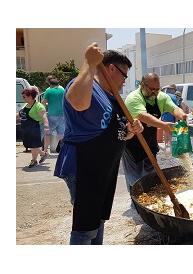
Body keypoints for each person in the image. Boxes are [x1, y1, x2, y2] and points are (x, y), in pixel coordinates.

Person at [53, 43, 143, 245]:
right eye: (124, 75)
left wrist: (130, 131)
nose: (124, 82)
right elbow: (77, 101)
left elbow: (117, 133)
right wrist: (89, 63)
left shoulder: (113, 96)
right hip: (83, 166)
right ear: (111, 69)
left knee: (98, 220)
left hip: (104, 169)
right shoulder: (86, 85)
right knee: (85, 227)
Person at [122, 73, 187, 192]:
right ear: (142, 85)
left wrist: (182, 115)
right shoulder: (133, 97)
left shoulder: (161, 97)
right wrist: (163, 125)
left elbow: (174, 108)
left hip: (150, 143)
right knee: (135, 179)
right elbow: (142, 116)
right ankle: (136, 203)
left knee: (150, 177)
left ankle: (149, 199)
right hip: (133, 145)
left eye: (157, 89)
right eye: (151, 89)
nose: (154, 92)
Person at [18, 87, 49, 168]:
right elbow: (20, 114)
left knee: (34, 145)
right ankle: (43, 154)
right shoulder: (27, 105)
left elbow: (44, 116)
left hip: (38, 127)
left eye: (24, 96)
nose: (23, 98)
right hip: (29, 128)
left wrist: (46, 126)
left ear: (31, 96)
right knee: (31, 144)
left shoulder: (39, 106)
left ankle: (34, 160)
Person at [42, 76, 66, 153]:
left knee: (47, 133)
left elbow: (43, 103)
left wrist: (43, 112)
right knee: (61, 133)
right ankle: (63, 149)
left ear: (50, 84)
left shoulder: (49, 91)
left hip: (52, 114)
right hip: (62, 114)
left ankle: (45, 149)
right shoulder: (63, 89)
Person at [160, 84, 178, 149]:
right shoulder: (174, 97)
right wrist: (176, 120)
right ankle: (170, 146)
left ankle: (166, 145)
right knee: (171, 131)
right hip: (171, 116)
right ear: (173, 90)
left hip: (164, 116)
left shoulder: (163, 96)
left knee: (165, 131)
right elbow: (175, 109)